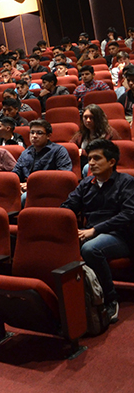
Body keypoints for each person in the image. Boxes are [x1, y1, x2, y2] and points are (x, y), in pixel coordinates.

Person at [61, 139, 134, 324]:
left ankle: (110, 298)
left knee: (91, 249)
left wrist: (95, 230)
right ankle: (67, 301)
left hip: (120, 236)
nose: (91, 163)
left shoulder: (127, 182)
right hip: (90, 232)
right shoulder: (86, 184)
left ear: (111, 162)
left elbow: (128, 215)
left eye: (96, 158)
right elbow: (68, 207)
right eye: (89, 159)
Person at [72, 104, 121, 169]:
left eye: (91, 117)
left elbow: (109, 153)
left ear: (98, 118)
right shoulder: (81, 133)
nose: (88, 120)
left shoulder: (109, 133)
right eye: (85, 117)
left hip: (102, 163)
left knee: (87, 168)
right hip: (83, 162)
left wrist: (83, 152)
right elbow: (71, 146)